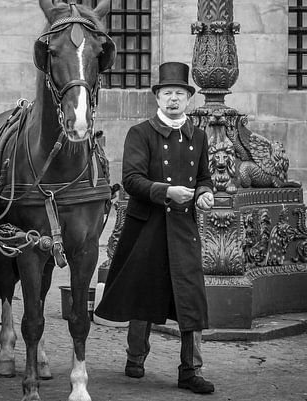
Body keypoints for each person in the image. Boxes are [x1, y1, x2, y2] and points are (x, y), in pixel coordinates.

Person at [93, 61, 215, 395]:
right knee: (143, 293)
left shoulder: (198, 136)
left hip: (183, 229)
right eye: (167, 93)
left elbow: (203, 177)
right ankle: (135, 358)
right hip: (147, 227)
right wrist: (167, 192)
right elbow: (131, 180)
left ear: (188, 98)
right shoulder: (140, 133)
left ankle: (191, 371)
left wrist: (205, 194)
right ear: (157, 98)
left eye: (179, 93)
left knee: (191, 299)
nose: (173, 99)